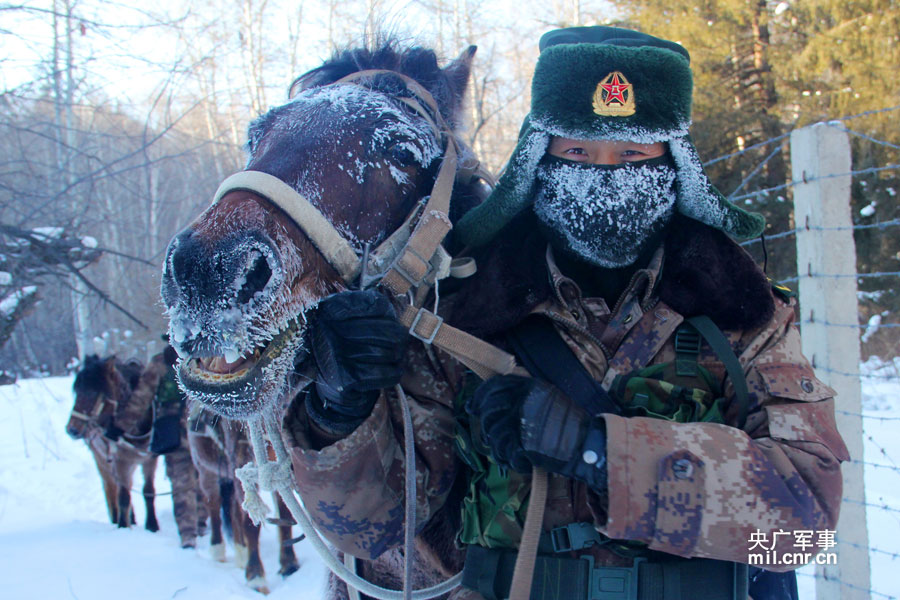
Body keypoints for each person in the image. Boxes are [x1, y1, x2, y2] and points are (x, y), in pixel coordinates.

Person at [283, 26, 849, 600]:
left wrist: (599, 451)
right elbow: (375, 527)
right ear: (539, 157)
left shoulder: (744, 313)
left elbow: (806, 525)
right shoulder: (464, 315)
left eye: (634, 153)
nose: (605, 176)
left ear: (675, 163)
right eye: (577, 151)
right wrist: (340, 409)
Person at [110, 343, 207, 548]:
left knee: (182, 482)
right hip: (205, 426)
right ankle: (202, 523)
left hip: (174, 429)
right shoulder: (208, 356)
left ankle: (189, 533)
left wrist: (120, 426)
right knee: (205, 477)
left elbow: (141, 399)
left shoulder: (161, 362)